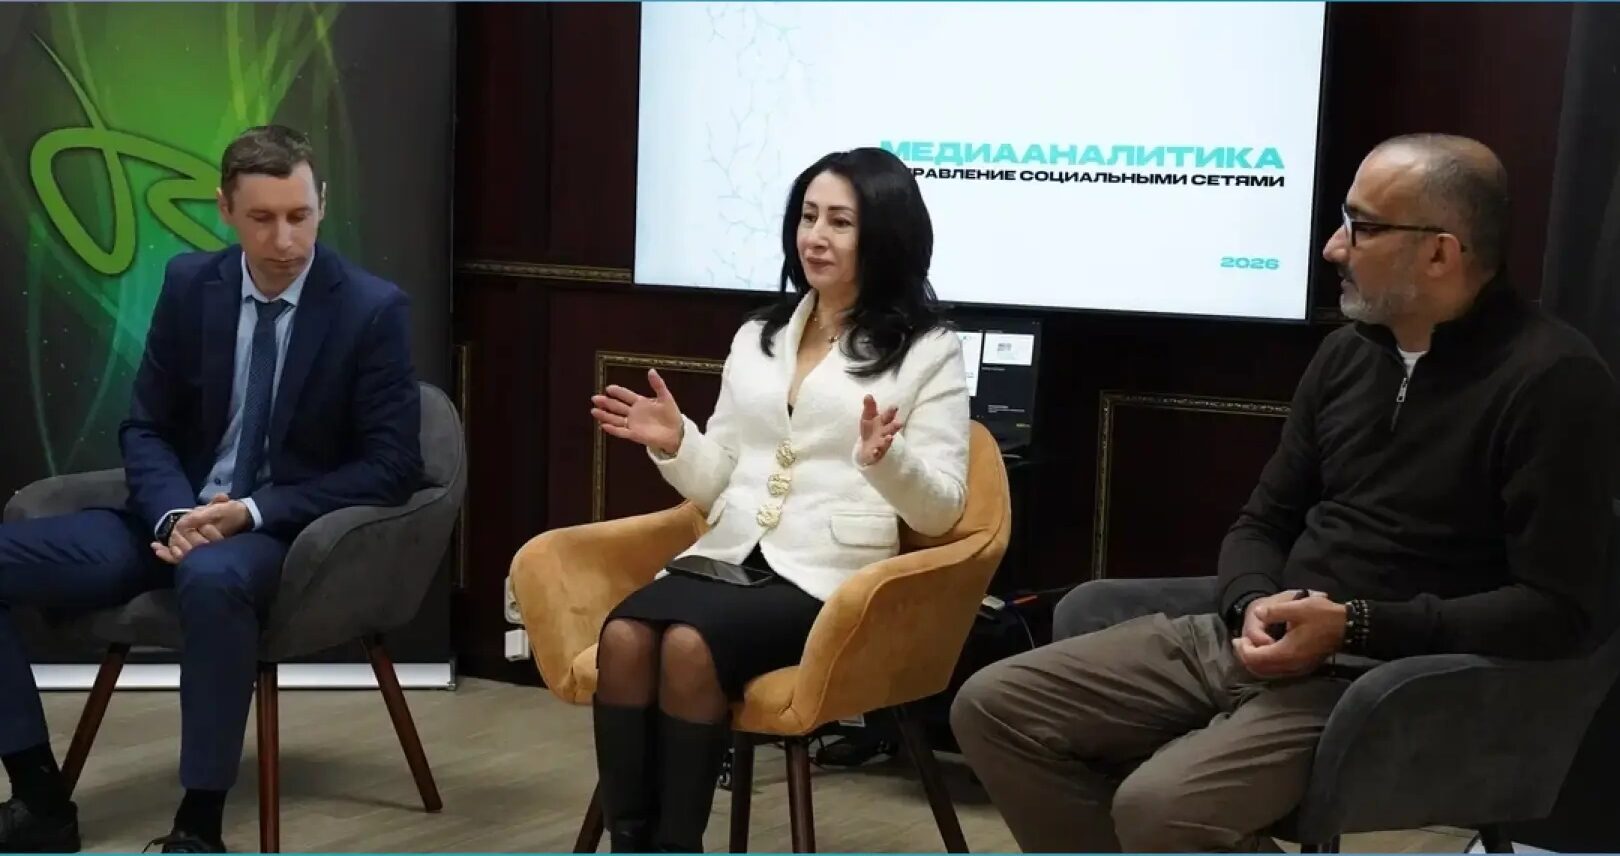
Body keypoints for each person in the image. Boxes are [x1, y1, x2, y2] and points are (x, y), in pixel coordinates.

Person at [950, 133, 1620, 852]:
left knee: (1160, 807)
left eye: (1362, 227)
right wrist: (1250, 604)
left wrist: (1355, 625)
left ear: (1440, 253)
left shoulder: (1551, 380)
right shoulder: (1345, 354)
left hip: (1383, 681)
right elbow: (1262, 521)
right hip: (1249, 639)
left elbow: (1559, 610)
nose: (1334, 247)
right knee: (993, 706)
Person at [0, 125, 422, 853]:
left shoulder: (370, 309)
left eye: (300, 215)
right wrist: (172, 515)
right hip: (167, 517)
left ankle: (198, 825)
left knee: (212, 577)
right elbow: (146, 427)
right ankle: (40, 800)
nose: (285, 240)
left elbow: (391, 466)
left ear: (322, 203)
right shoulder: (192, 284)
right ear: (225, 209)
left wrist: (249, 512)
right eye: (262, 218)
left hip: (274, 532)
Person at [587, 147, 971, 852]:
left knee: (690, 648)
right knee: (624, 637)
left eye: (840, 222)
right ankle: (633, 844)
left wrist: (887, 462)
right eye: (808, 216)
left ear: (884, 234)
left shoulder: (927, 349)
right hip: (731, 554)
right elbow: (721, 483)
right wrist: (678, 441)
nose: (815, 237)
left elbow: (942, 510)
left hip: (831, 578)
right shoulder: (758, 337)